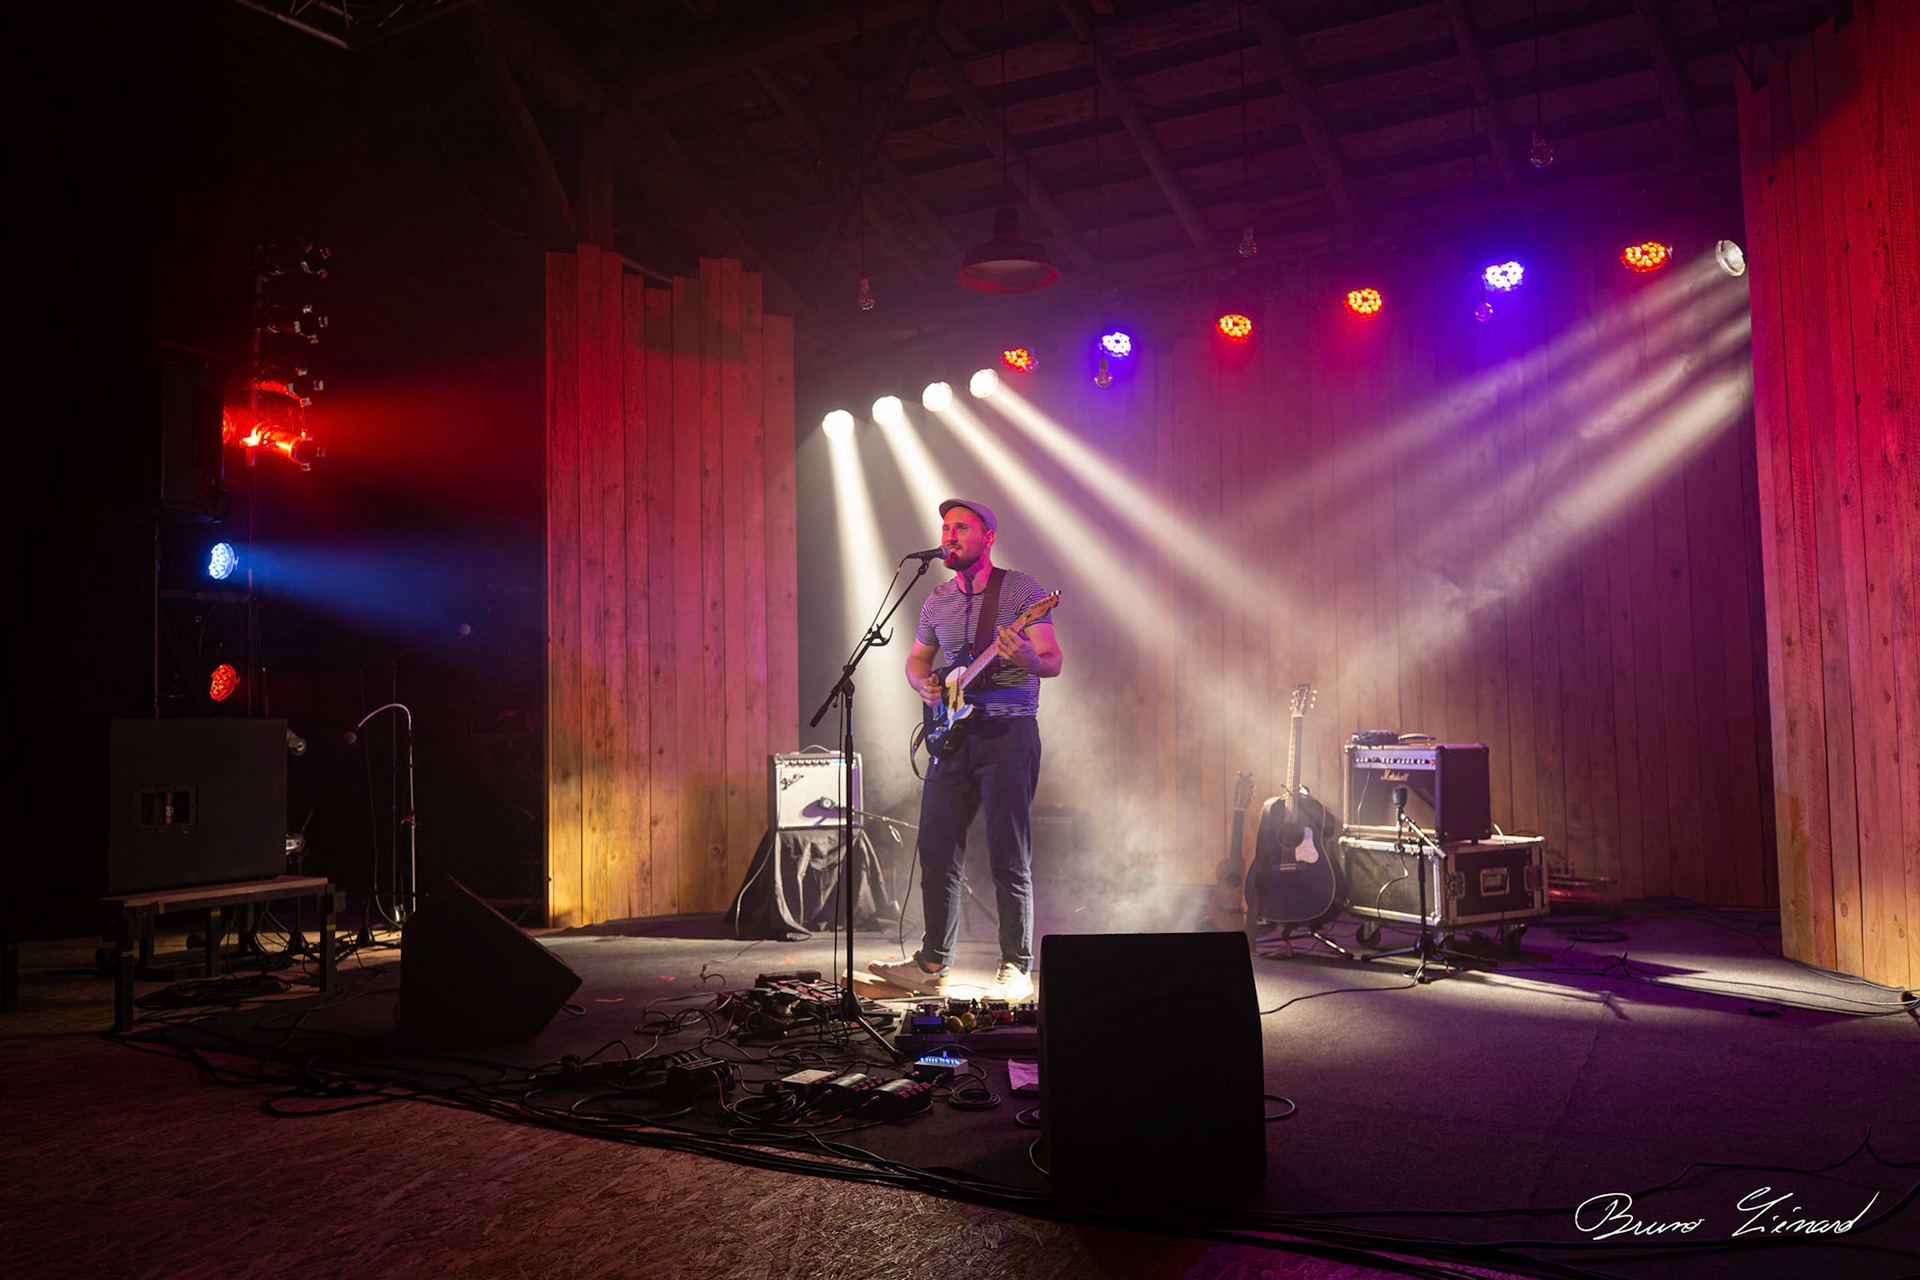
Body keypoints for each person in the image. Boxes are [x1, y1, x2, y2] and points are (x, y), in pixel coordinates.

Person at [869, 499, 1062, 1002]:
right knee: (936, 849)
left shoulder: (1022, 590)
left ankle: (1016, 966)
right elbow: (917, 660)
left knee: (1007, 854)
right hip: (952, 737)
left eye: (961, 527)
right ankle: (933, 962)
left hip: (1008, 735)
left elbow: (1052, 660)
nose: (949, 535)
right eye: (946, 528)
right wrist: (923, 686)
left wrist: (1026, 656)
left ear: (988, 537)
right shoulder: (935, 599)